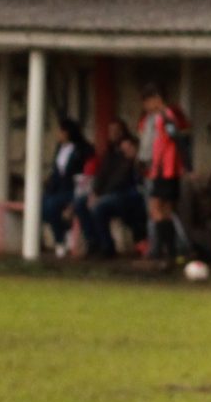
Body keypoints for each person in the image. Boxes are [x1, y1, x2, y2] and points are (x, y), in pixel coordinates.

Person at [135, 83, 194, 267]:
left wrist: (187, 167)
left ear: (156, 100)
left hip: (164, 171)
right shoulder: (158, 118)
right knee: (166, 212)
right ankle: (171, 254)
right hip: (163, 171)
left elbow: (178, 140)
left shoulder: (166, 117)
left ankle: (163, 252)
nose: (146, 107)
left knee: (155, 209)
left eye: (147, 102)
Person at [77, 124, 144, 259]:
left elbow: (122, 181)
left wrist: (132, 159)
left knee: (99, 206)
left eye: (116, 131)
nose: (113, 134)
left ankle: (107, 247)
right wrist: (95, 192)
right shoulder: (112, 154)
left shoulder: (136, 159)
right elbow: (102, 175)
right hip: (110, 194)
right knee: (80, 202)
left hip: (128, 196)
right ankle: (93, 242)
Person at [38, 114, 93, 257]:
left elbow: (85, 174)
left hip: (74, 190)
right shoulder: (60, 148)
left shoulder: (83, 149)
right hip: (58, 189)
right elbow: (57, 171)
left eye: (60, 131)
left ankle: (60, 240)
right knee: (42, 206)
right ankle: (62, 233)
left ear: (68, 132)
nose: (58, 134)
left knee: (51, 205)